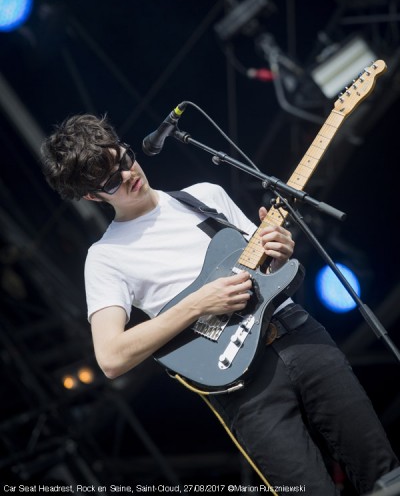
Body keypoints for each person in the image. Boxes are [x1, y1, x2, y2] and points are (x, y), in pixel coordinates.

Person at [41, 113, 399, 495]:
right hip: (239, 384)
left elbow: (268, 269)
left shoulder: (205, 197)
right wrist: (197, 304)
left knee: (384, 473)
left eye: (125, 159)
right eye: (112, 181)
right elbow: (111, 357)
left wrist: (280, 252)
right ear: (93, 196)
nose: (129, 175)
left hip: (298, 334)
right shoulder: (105, 257)